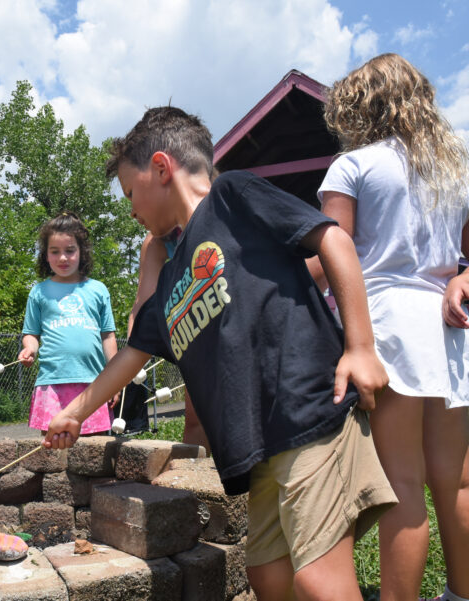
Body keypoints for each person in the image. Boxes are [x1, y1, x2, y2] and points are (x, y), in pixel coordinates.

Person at [43, 106, 398, 601]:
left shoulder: (233, 196)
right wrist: (75, 414)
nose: (130, 210)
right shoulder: (170, 280)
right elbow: (132, 354)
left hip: (308, 412)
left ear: (162, 169)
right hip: (260, 448)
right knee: (269, 577)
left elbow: (333, 238)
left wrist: (360, 347)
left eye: (130, 193)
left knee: (318, 580)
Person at [317, 54, 469, 601]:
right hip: (445, 330)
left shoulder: (352, 166)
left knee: (401, 483)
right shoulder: (452, 174)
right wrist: (462, 282)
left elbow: (335, 252)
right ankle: (460, 597)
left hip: (387, 328)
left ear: (360, 106)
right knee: (457, 478)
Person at [17, 212, 118, 435]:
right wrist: (30, 349)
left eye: (70, 250)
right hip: (52, 383)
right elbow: (31, 333)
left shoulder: (98, 290)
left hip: (94, 384)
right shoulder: (39, 292)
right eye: (55, 251)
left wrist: (113, 380)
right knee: (54, 451)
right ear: (46, 255)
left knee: (95, 452)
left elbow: (108, 336)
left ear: (82, 253)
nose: (63, 258)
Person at [125, 229, 211, 450]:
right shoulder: (156, 241)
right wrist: (133, 356)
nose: (133, 212)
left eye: (134, 193)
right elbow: (141, 307)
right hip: (199, 340)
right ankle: (188, 480)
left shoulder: (220, 209)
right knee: (196, 420)